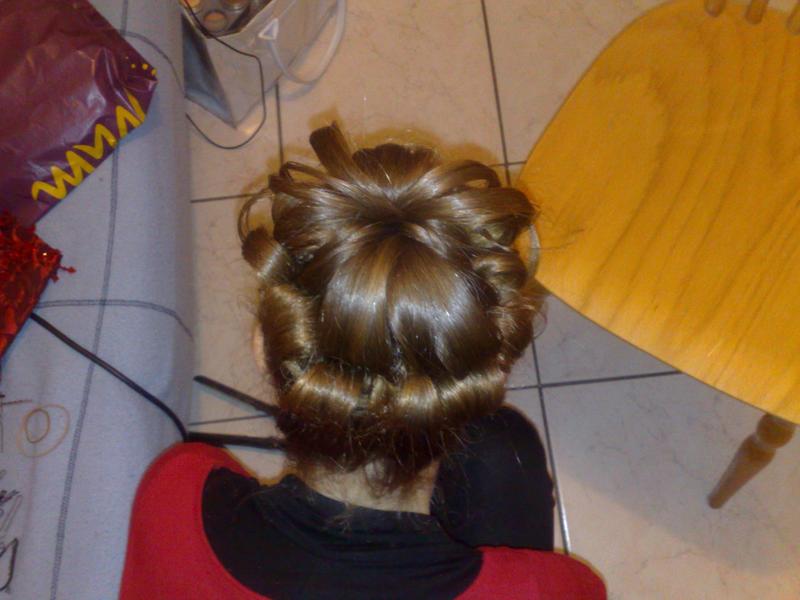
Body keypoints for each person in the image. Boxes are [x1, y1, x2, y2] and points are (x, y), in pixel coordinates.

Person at [120, 124, 606, 599]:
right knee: (503, 445)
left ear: (263, 351)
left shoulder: (175, 492)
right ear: (489, 374)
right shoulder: (548, 590)